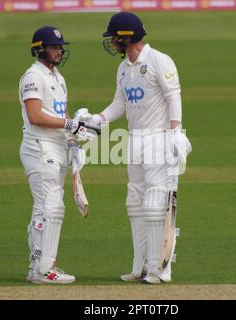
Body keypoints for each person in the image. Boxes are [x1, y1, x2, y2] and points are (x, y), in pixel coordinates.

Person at [76, 12, 191, 284]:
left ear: (126, 37)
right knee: (135, 204)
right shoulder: (124, 68)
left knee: (154, 205)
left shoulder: (159, 60)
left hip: (158, 139)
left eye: (114, 38)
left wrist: (176, 131)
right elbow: (120, 103)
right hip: (134, 140)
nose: (111, 42)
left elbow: (173, 97)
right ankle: (139, 267)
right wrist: (98, 119)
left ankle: (158, 269)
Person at [19, 26, 96, 284]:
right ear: (40, 49)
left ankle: (39, 266)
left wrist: (72, 141)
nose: (59, 51)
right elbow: (35, 115)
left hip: (56, 147)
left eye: (60, 47)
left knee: (51, 207)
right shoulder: (33, 77)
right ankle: (42, 270)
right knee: (49, 207)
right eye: (54, 47)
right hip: (39, 147)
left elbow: (61, 115)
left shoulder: (58, 77)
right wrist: (67, 126)